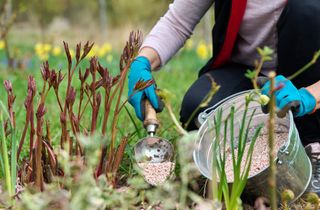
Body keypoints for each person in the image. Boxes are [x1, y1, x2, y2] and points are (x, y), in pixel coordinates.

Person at [127, 0, 320, 194]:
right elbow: (177, 22)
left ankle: (313, 146)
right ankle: (244, 160)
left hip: (308, 80)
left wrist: (310, 96)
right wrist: (142, 62)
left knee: (307, 9)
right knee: (199, 109)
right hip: (246, 72)